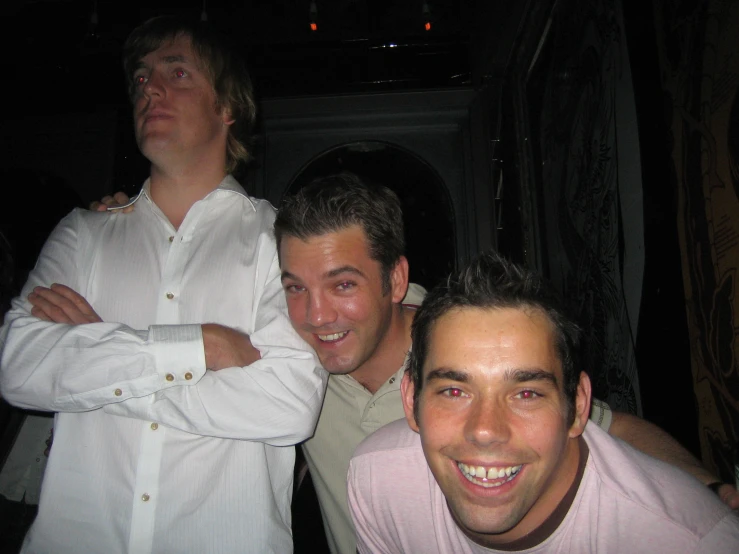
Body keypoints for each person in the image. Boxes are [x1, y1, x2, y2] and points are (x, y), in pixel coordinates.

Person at [273, 172, 737, 554]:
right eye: (296, 288)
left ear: (395, 280)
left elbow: (611, 430)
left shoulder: (474, 351)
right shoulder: (294, 362)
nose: (316, 316)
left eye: (343, 285)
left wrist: (706, 488)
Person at [0, 15, 326, 554]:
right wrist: (203, 346)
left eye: (176, 73)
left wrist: (102, 354)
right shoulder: (83, 231)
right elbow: (19, 365)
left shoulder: (280, 237)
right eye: (141, 78)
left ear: (227, 108)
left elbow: (288, 404)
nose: (149, 86)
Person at [347, 251, 739, 553]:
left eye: (526, 394)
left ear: (579, 406)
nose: (485, 430)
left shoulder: (688, 541)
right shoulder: (379, 483)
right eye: (454, 391)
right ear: (411, 397)